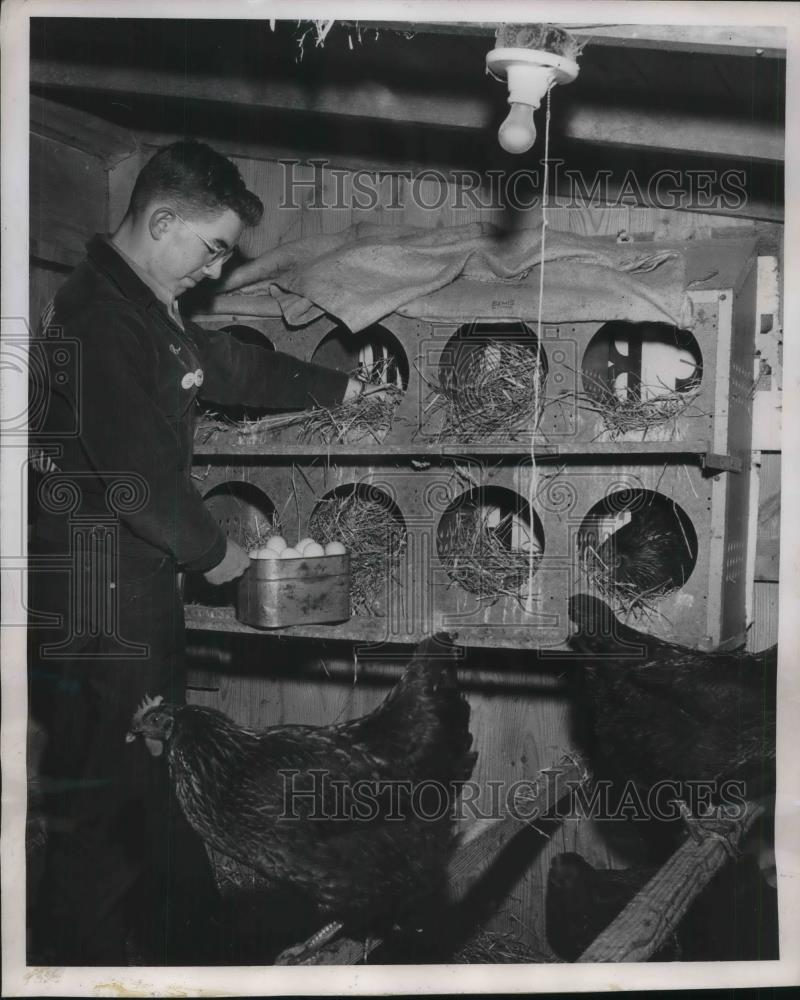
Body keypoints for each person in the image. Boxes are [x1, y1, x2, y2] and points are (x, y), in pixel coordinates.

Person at [27, 139, 370, 965]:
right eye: (212, 248)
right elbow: (137, 472)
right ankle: (73, 967)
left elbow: (222, 368)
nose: (215, 270)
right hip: (99, 600)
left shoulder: (145, 309)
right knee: (105, 809)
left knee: (156, 782)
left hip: (132, 588)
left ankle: (185, 954)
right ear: (162, 219)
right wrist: (217, 556)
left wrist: (336, 391)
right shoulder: (94, 315)